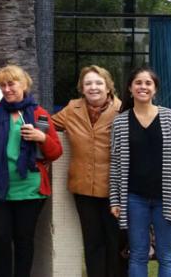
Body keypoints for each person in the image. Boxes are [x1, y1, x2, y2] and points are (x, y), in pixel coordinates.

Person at [0, 64, 62, 277]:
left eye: (11, 84)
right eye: (2, 85)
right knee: (0, 239)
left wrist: (42, 138)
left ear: (24, 84)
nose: (6, 89)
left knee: (24, 240)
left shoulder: (39, 114)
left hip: (29, 190)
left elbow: (56, 151)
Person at [109, 67, 171, 277]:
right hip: (135, 200)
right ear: (130, 88)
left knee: (167, 256)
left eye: (148, 83)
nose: (143, 87)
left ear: (155, 90)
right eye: (138, 82)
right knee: (137, 255)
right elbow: (116, 164)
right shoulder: (120, 122)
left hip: (169, 199)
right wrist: (115, 200)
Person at [50, 65, 122, 277]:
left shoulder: (124, 110)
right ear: (81, 87)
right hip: (83, 187)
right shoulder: (72, 109)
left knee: (116, 242)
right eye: (88, 83)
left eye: (99, 83)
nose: (93, 87)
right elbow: (49, 125)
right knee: (92, 243)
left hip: (115, 190)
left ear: (108, 87)